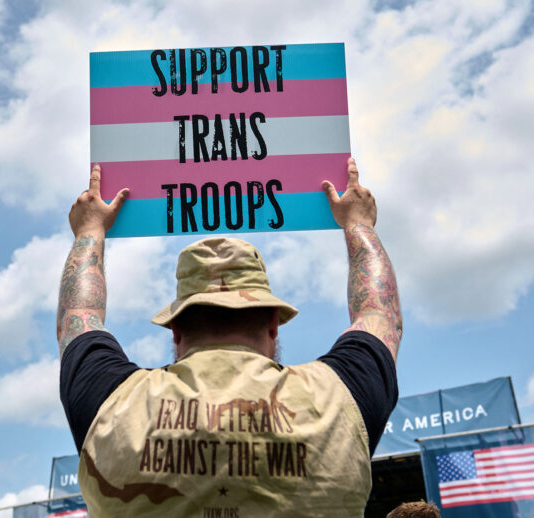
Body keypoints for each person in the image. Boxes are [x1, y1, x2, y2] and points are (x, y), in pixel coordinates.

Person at [58, 157, 402, 516]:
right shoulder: (337, 399)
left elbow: (77, 318)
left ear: (175, 330)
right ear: (274, 324)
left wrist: (89, 231)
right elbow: (379, 315)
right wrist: (359, 223)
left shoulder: (114, 404)